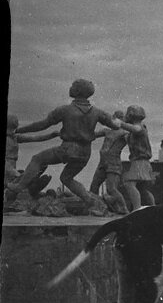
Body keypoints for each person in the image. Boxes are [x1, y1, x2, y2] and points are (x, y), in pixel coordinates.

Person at [5, 79, 121, 210]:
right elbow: (115, 125)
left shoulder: (65, 110)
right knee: (66, 178)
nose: (70, 88)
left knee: (37, 159)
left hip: (68, 149)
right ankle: (89, 200)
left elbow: (43, 124)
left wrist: (19, 130)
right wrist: (118, 121)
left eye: (73, 86)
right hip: (85, 153)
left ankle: (19, 186)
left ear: (78, 91)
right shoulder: (98, 112)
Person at [4, 114, 57, 196]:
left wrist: (50, 136)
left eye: (13, 129)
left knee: (21, 180)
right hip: (8, 168)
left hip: (12, 166)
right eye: (10, 129)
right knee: (12, 188)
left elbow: (35, 138)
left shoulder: (15, 137)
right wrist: (15, 173)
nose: (12, 132)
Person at [89, 110, 130, 214]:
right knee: (94, 185)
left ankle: (123, 208)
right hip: (103, 162)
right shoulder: (107, 131)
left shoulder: (124, 133)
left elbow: (131, 140)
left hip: (113, 163)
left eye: (118, 118)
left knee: (111, 189)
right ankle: (96, 207)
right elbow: (92, 135)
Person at [117, 105, 155, 210]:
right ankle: (153, 208)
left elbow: (136, 129)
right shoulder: (133, 131)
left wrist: (121, 123)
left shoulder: (139, 127)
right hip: (142, 162)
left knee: (129, 184)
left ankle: (137, 208)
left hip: (139, 162)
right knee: (142, 189)